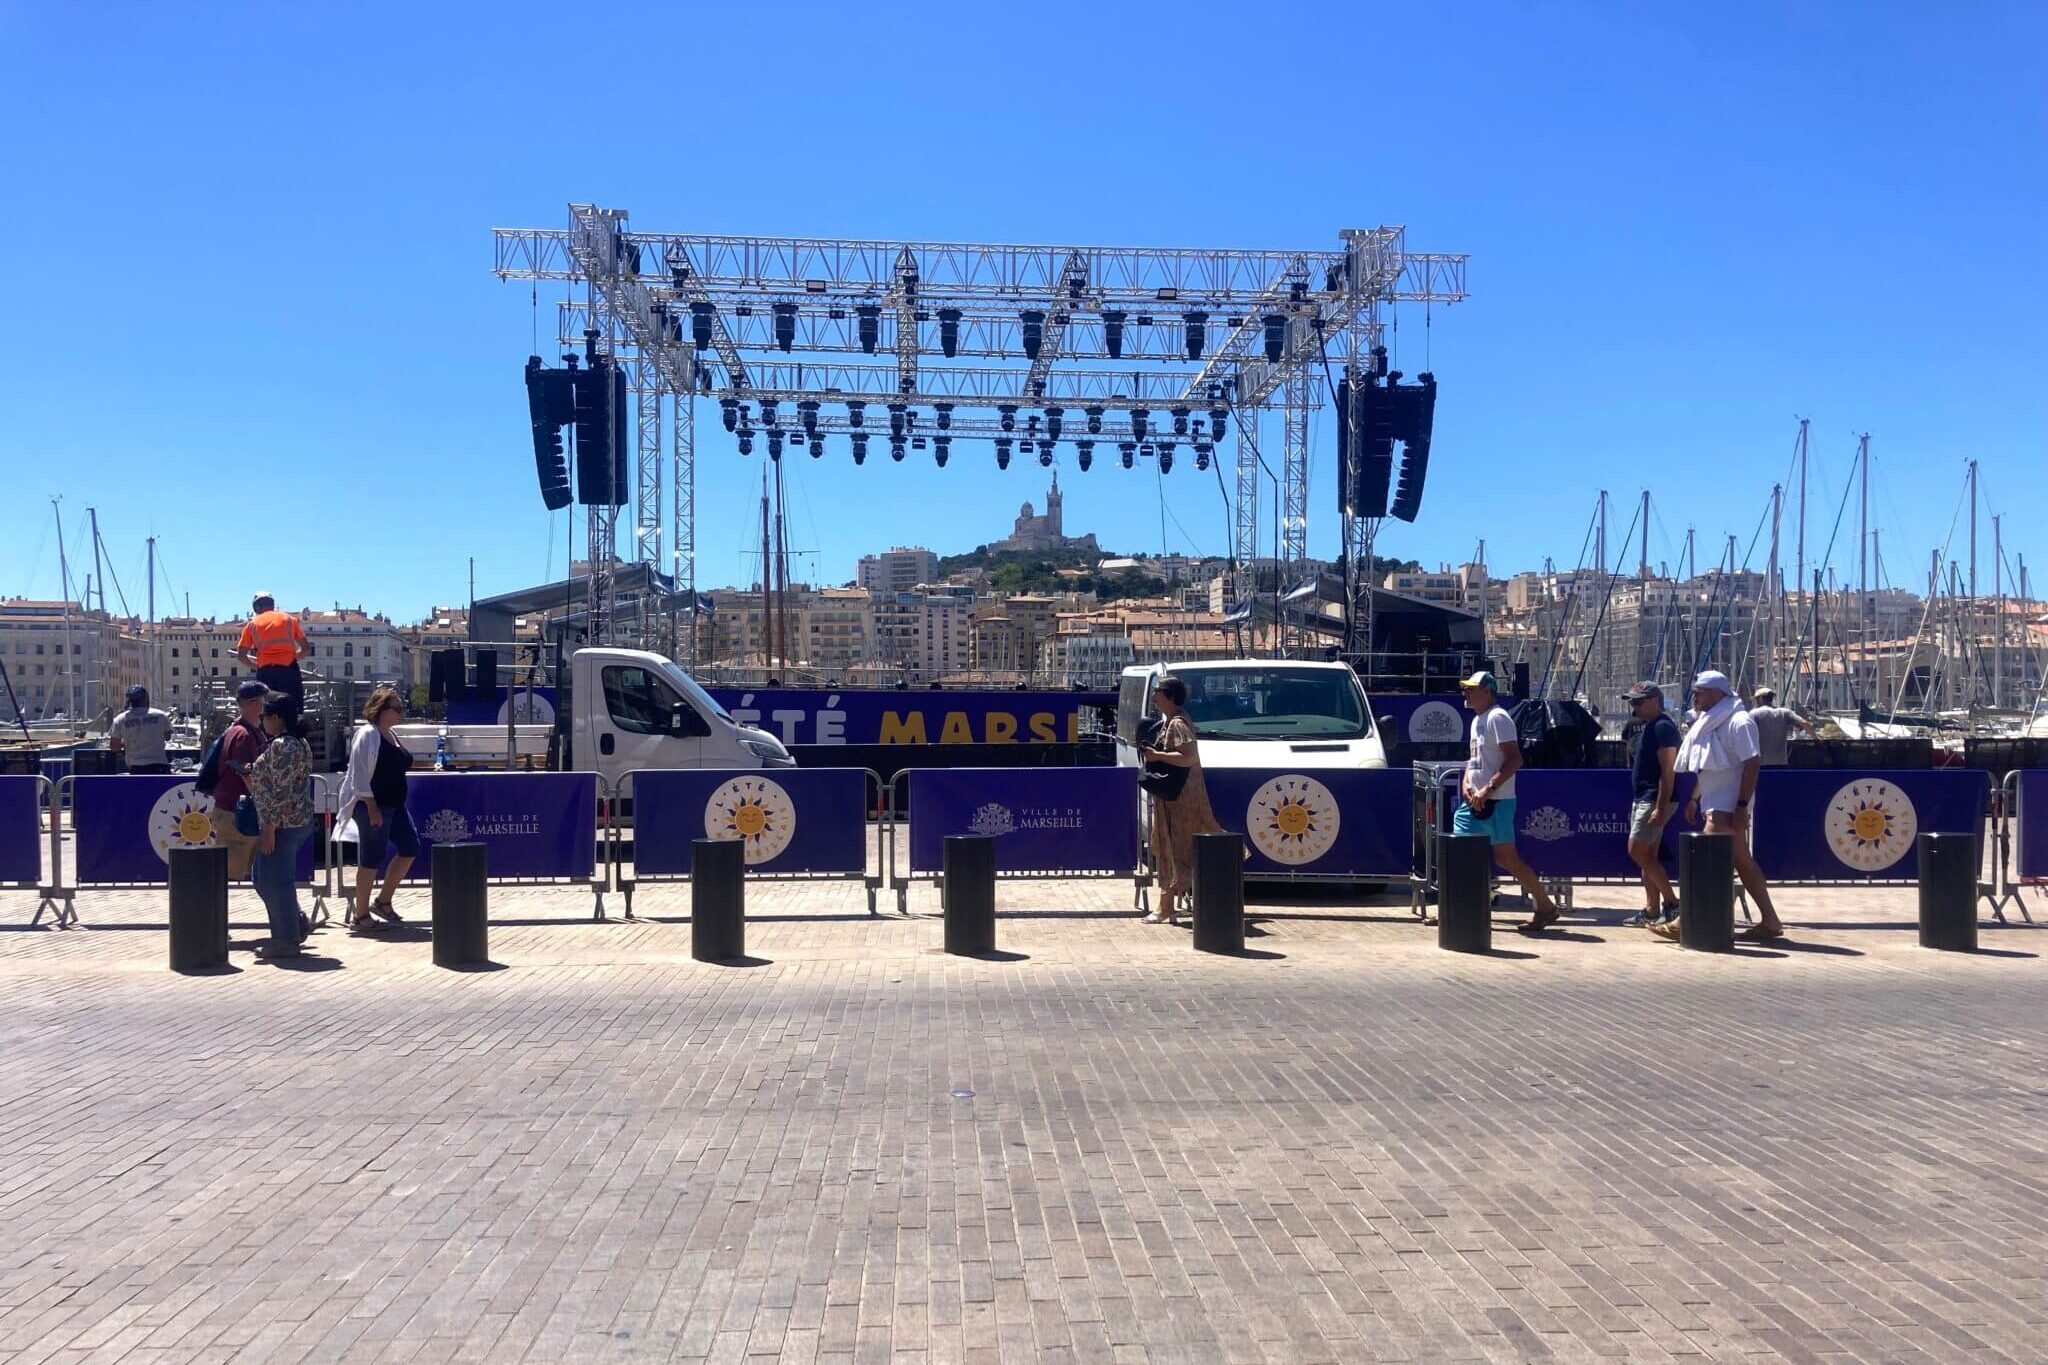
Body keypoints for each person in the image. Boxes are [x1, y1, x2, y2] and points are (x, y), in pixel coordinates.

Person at [1662, 670, 1785, 942]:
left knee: (1705, 861)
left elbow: (1753, 764)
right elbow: (1706, 765)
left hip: (1727, 806)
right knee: (1742, 862)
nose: (1694, 697)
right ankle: (1771, 920)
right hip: (1714, 802)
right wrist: (1695, 798)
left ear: (1717, 692)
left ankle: (1686, 921)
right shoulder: (1709, 722)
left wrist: (1741, 807)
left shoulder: (1739, 721)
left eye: (1700, 691)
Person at [1454, 670, 1562, 933]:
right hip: (1476, 801)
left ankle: (1546, 907)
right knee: (1460, 853)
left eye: (1471, 688)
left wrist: (1488, 789)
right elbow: (1474, 759)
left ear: (1488, 691)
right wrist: (1467, 783)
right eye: (1465, 688)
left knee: (1507, 859)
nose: (1465, 692)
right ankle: (1457, 910)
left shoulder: (1498, 718)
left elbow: (1515, 759)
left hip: (1498, 801)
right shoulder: (1478, 719)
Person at [1137, 675, 1241, 926]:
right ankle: (1167, 905)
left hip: (1181, 801)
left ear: (1170, 697)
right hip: (1174, 799)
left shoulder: (1177, 724)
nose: (1154, 697)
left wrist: (1157, 755)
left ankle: (1165, 907)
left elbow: (1189, 757)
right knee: (1169, 848)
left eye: (1158, 692)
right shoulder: (1171, 721)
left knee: (1175, 849)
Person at [335, 685, 416, 931]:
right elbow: (358, 772)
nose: (400, 713)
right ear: (381, 709)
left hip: (394, 804)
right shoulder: (368, 734)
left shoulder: (391, 735)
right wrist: (370, 805)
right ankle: (360, 915)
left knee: (410, 847)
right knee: (371, 857)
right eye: (397, 709)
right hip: (374, 804)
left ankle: (382, 901)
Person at [244, 694, 314, 960]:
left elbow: (281, 791)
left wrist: (270, 828)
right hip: (293, 820)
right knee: (266, 879)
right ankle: (294, 924)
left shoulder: (282, 746)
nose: (262, 723)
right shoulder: (298, 743)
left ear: (275, 718)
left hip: (282, 824)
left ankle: (286, 938)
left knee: (274, 882)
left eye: (264, 717)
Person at [1619, 682, 1682, 929]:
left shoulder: (1663, 727)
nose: (1634, 708)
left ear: (1655, 700)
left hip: (1652, 798)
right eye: (1632, 702)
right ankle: (1652, 908)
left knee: (1637, 851)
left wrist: (1660, 806)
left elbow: (1668, 771)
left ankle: (1671, 902)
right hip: (1645, 798)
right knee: (1649, 857)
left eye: (1638, 702)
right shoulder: (1652, 727)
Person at [210, 681, 272, 880]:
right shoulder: (244, 735)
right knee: (230, 875)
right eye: (265, 700)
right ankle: (218, 912)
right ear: (255, 703)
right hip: (236, 815)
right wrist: (264, 802)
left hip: (235, 811)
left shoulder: (241, 730)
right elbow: (245, 773)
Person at [235, 593, 308, 705]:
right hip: (289, 671)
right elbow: (306, 649)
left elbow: (241, 656)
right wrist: (290, 658)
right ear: (272, 605)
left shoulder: (251, 625)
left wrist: (258, 665)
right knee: (294, 708)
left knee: (268, 711)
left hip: (266, 672)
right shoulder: (289, 620)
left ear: (256, 607)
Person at [108, 686, 173, 774]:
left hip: (136, 767)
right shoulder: (161, 715)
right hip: (160, 765)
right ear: (146, 698)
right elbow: (167, 737)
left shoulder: (120, 719)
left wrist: (125, 742)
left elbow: (114, 747)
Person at [1746, 687, 1815, 767]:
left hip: (1761, 763)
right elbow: (1805, 723)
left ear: (1761, 699)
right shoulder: (1785, 712)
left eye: (1756, 699)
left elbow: (1747, 736)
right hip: (1781, 762)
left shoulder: (1754, 713)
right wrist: (1816, 740)